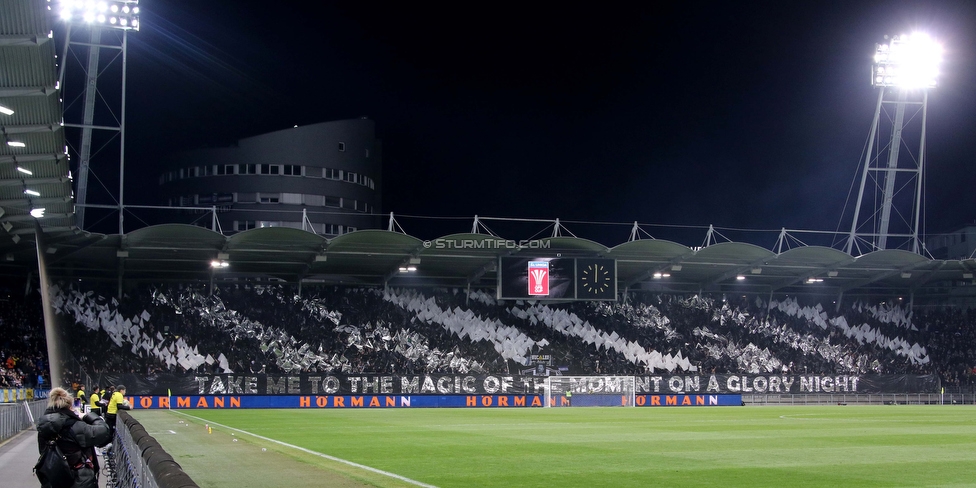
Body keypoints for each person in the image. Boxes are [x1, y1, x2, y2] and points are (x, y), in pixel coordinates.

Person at [36, 387, 112, 488]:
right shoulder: (74, 425)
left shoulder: (43, 426)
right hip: (78, 478)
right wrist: (86, 416)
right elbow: (103, 431)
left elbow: (42, 450)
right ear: (69, 405)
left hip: (52, 477)